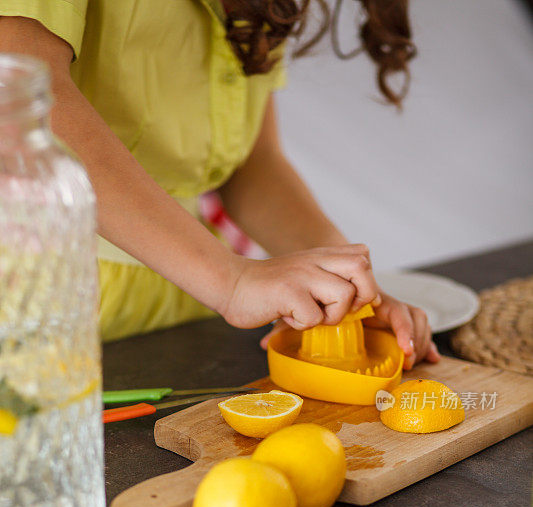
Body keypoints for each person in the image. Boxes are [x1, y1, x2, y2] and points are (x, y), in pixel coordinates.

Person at [0, 0, 440, 370]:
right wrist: (229, 280)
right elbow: (19, 98)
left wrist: (347, 285)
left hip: (183, 302)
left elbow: (251, 162)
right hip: (32, 298)